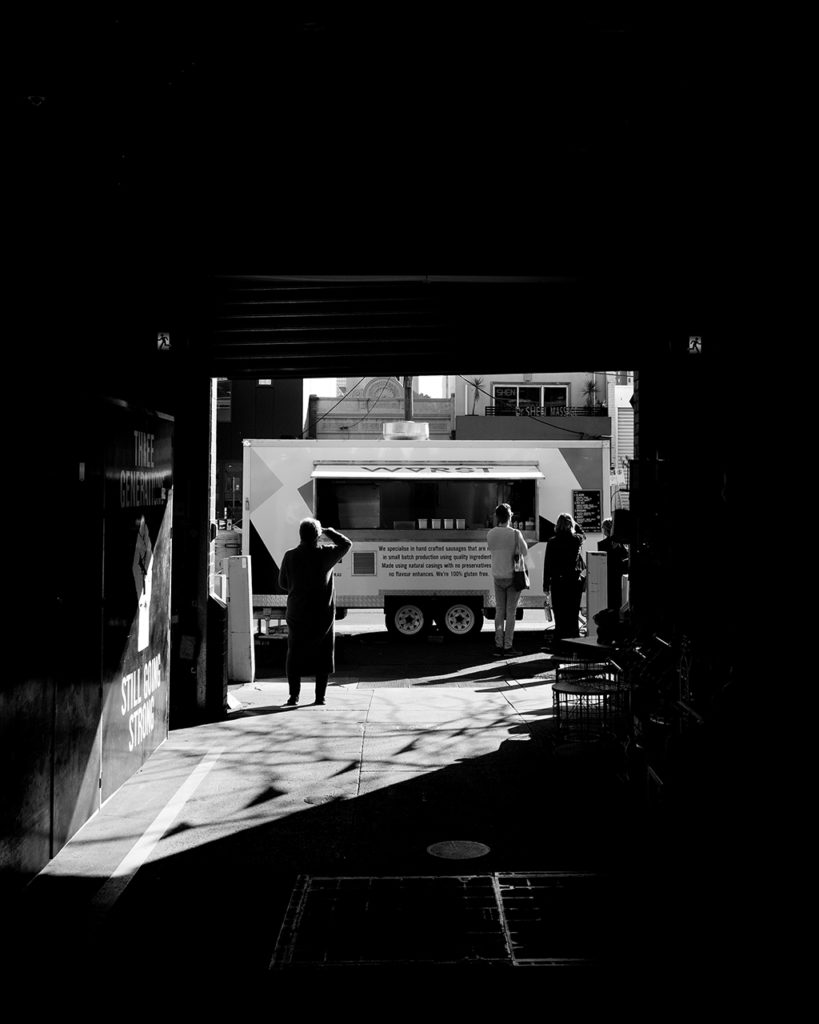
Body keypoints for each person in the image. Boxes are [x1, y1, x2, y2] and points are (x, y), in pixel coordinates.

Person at [277, 518, 352, 706]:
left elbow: (282, 583)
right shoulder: (325, 555)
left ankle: (293, 696)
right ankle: (320, 697)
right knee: (323, 653)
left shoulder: (290, 556)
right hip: (321, 613)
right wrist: (329, 530)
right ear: (317, 536)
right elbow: (346, 543)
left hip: (297, 612)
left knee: (294, 653)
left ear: (300, 535)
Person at [486, 502, 528, 656]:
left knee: (499, 612)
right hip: (512, 576)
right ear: (510, 516)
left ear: (497, 517)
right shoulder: (516, 533)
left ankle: (498, 645)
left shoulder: (491, 533)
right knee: (511, 613)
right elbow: (524, 552)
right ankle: (508, 646)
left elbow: (492, 549)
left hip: (497, 575)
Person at [542, 512, 585, 643]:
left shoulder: (552, 542)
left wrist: (546, 585)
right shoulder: (576, 540)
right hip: (573, 582)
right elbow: (582, 534)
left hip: (557, 582)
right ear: (570, 525)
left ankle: (559, 641)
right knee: (572, 615)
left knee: (559, 615)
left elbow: (547, 564)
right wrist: (574, 524)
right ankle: (573, 642)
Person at [597, 516, 629, 613]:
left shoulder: (602, 544)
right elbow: (625, 557)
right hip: (620, 576)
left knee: (609, 602)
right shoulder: (622, 543)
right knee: (619, 601)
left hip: (607, 576)